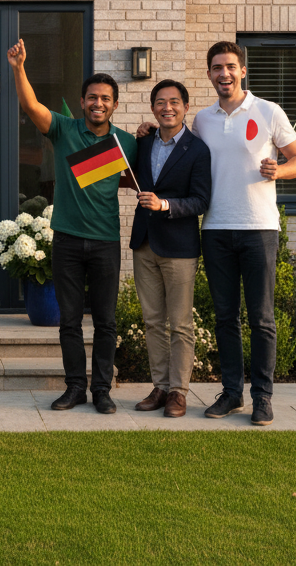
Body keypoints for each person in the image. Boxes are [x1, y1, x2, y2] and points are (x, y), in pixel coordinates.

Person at [7, 39, 137, 414]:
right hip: (65, 239)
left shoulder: (126, 141)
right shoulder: (64, 130)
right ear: (82, 102)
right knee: (69, 321)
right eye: (92, 97)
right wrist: (19, 68)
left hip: (105, 242)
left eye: (105, 98)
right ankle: (75, 388)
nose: (98, 103)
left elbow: (141, 175)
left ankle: (102, 391)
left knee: (106, 321)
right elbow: (31, 106)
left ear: (115, 104)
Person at [193, 41, 296, 426]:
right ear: (209, 74)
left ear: (242, 71)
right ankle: (231, 393)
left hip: (259, 228)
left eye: (229, 66)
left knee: (261, 318)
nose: (223, 73)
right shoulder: (202, 120)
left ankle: (263, 397)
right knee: (225, 317)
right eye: (216, 67)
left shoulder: (268, 111)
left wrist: (281, 171)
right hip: (215, 228)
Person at [130, 79, 211, 419]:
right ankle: (160, 387)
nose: (167, 107)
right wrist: (138, 133)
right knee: (152, 321)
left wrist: (164, 205)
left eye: (174, 102)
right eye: (160, 102)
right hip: (144, 242)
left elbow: (201, 200)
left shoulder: (198, 149)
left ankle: (179, 391)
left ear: (185, 107)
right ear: (152, 109)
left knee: (179, 324)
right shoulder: (144, 142)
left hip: (179, 247)